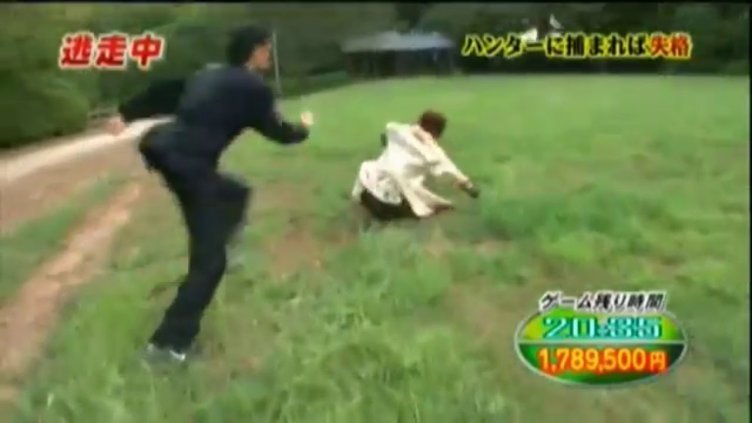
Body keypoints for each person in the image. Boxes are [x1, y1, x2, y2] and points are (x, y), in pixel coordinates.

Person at [105, 25, 314, 363]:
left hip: (164, 148)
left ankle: (221, 242)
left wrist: (126, 113)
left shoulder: (208, 74)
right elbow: (279, 132)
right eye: (266, 49)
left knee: (235, 192)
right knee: (210, 263)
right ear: (255, 51)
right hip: (189, 165)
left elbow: (164, 91)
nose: (269, 55)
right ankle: (168, 346)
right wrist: (303, 129)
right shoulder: (254, 89)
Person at [351, 110, 479, 223]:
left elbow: (389, 131)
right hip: (386, 200)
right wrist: (468, 186)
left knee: (405, 185)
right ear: (437, 132)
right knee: (423, 209)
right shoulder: (432, 152)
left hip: (365, 186)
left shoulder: (398, 129)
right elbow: (449, 168)